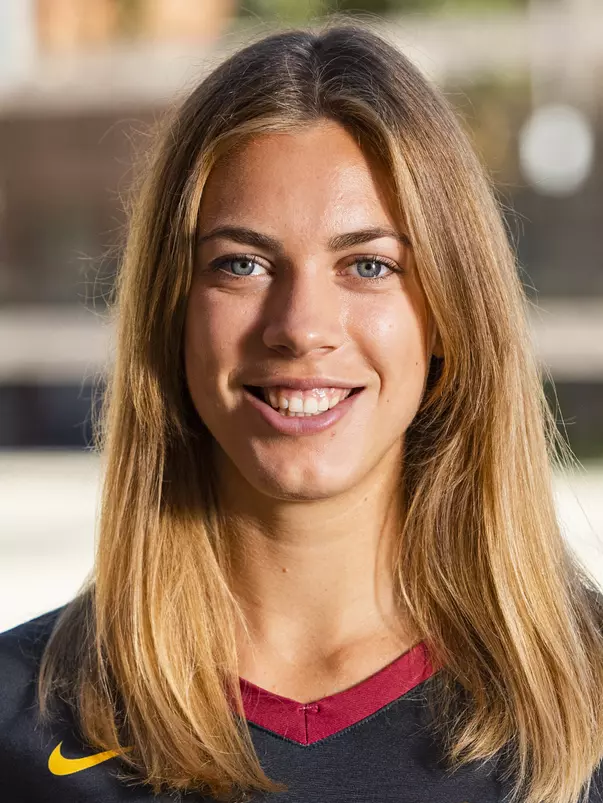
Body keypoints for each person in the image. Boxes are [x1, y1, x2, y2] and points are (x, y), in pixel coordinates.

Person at [1, 18, 602, 803]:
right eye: (241, 264)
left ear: (451, 315)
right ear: (171, 313)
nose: (299, 327)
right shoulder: (20, 717)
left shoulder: (583, 699)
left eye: (368, 264)